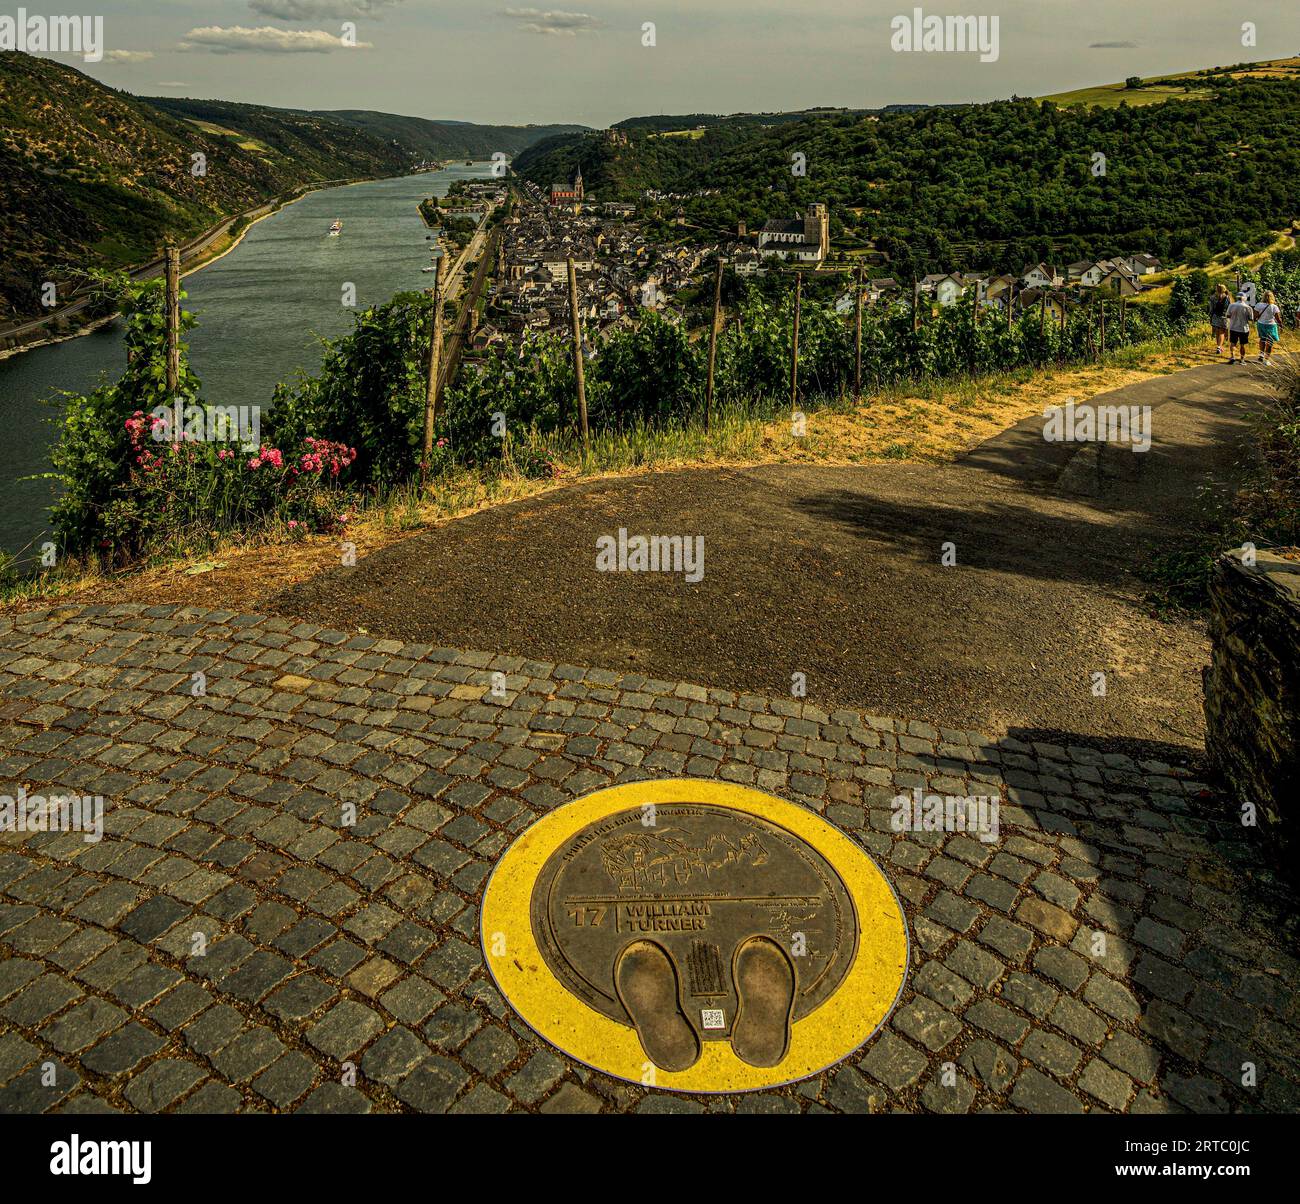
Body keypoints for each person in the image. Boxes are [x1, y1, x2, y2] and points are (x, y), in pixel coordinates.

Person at [1253, 290, 1282, 364]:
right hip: (1271, 325)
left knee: (1262, 339)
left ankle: (1261, 354)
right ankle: (1266, 359)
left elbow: (1255, 316)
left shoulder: (1258, 305)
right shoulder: (1274, 307)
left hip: (1261, 324)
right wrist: (1281, 325)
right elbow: (1278, 318)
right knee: (1270, 342)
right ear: (1272, 297)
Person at [1226, 291, 1255, 364]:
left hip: (1233, 327)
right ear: (1245, 298)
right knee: (1242, 344)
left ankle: (1232, 357)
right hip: (1244, 328)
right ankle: (1242, 359)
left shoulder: (1231, 305)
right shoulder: (1248, 307)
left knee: (1233, 343)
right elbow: (1251, 319)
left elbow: (1228, 316)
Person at [1208, 283, 1231, 354]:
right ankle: (1219, 347)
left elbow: (1211, 309)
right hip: (1224, 317)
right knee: (1222, 332)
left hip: (1215, 316)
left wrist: (1210, 316)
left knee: (1217, 332)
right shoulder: (1227, 297)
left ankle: (1218, 346)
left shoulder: (1212, 297)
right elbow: (1229, 308)